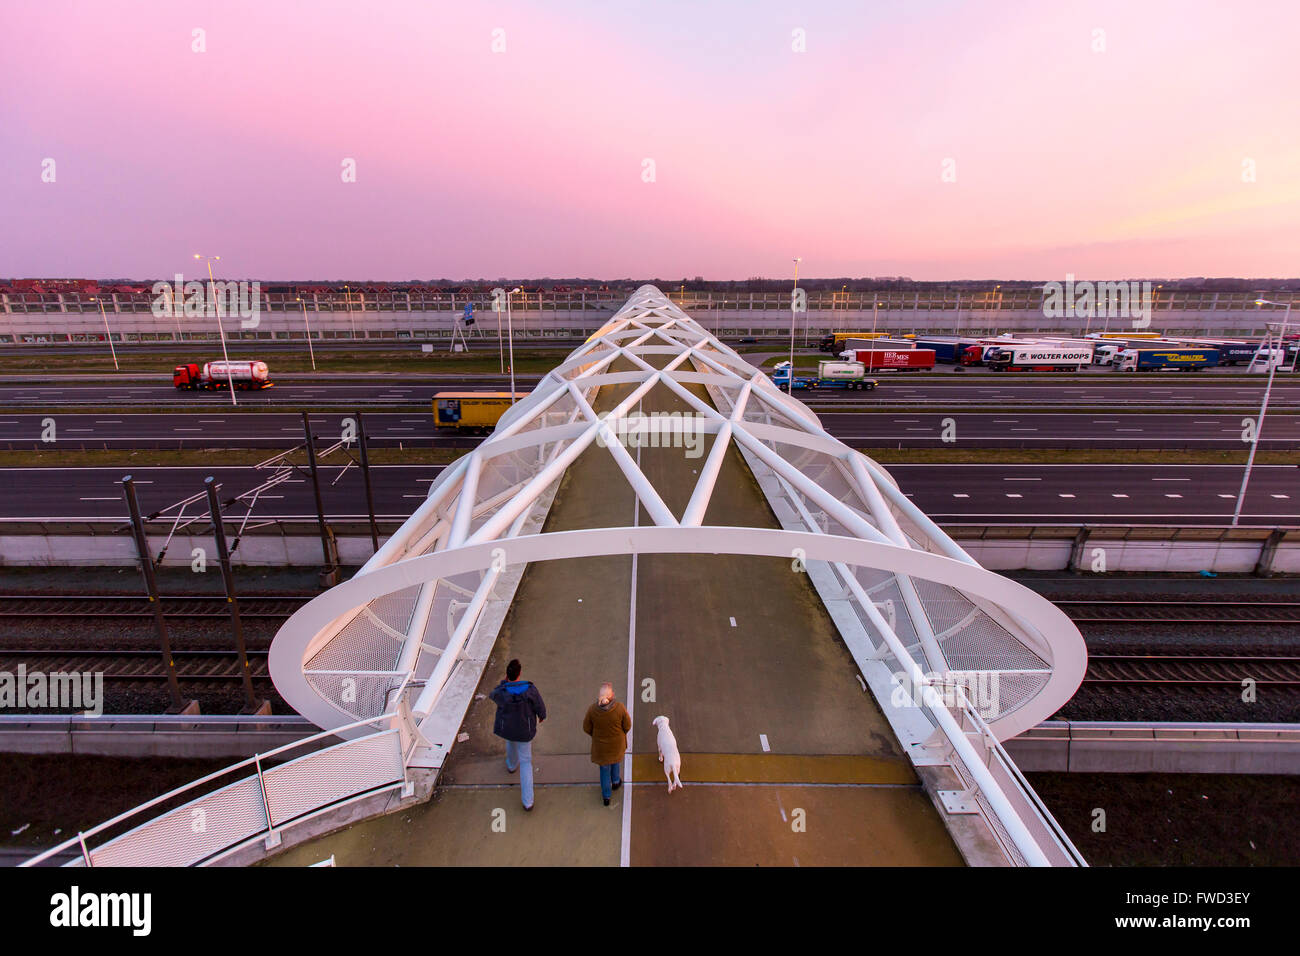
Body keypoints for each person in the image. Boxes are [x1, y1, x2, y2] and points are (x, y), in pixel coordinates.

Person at [489, 659, 546, 811]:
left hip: (508, 727)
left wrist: (503, 683)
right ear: (519, 674)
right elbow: (539, 705)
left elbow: (493, 695)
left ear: (507, 675)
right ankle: (528, 801)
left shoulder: (502, 691)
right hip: (524, 730)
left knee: (510, 742)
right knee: (526, 762)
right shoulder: (529, 689)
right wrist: (541, 715)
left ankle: (511, 765)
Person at [582, 682, 631, 806]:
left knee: (604, 770)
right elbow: (627, 725)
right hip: (617, 745)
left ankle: (606, 797)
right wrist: (620, 735)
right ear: (612, 695)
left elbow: (586, 727)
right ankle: (615, 781)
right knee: (615, 761)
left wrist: (596, 736)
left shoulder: (592, 710)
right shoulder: (619, 708)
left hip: (601, 749)